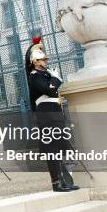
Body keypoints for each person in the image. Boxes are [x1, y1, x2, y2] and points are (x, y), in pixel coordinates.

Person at [25, 36, 79, 192]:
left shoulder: (46, 75)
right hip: (46, 116)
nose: (45, 61)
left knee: (61, 148)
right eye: (42, 60)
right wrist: (56, 79)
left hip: (55, 115)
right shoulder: (34, 76)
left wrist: (53, 79)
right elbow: (48, 90)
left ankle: (64, 180)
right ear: (35, 61)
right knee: (52, 149)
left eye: (45, 59)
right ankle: (56, 183)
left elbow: (52, 90)